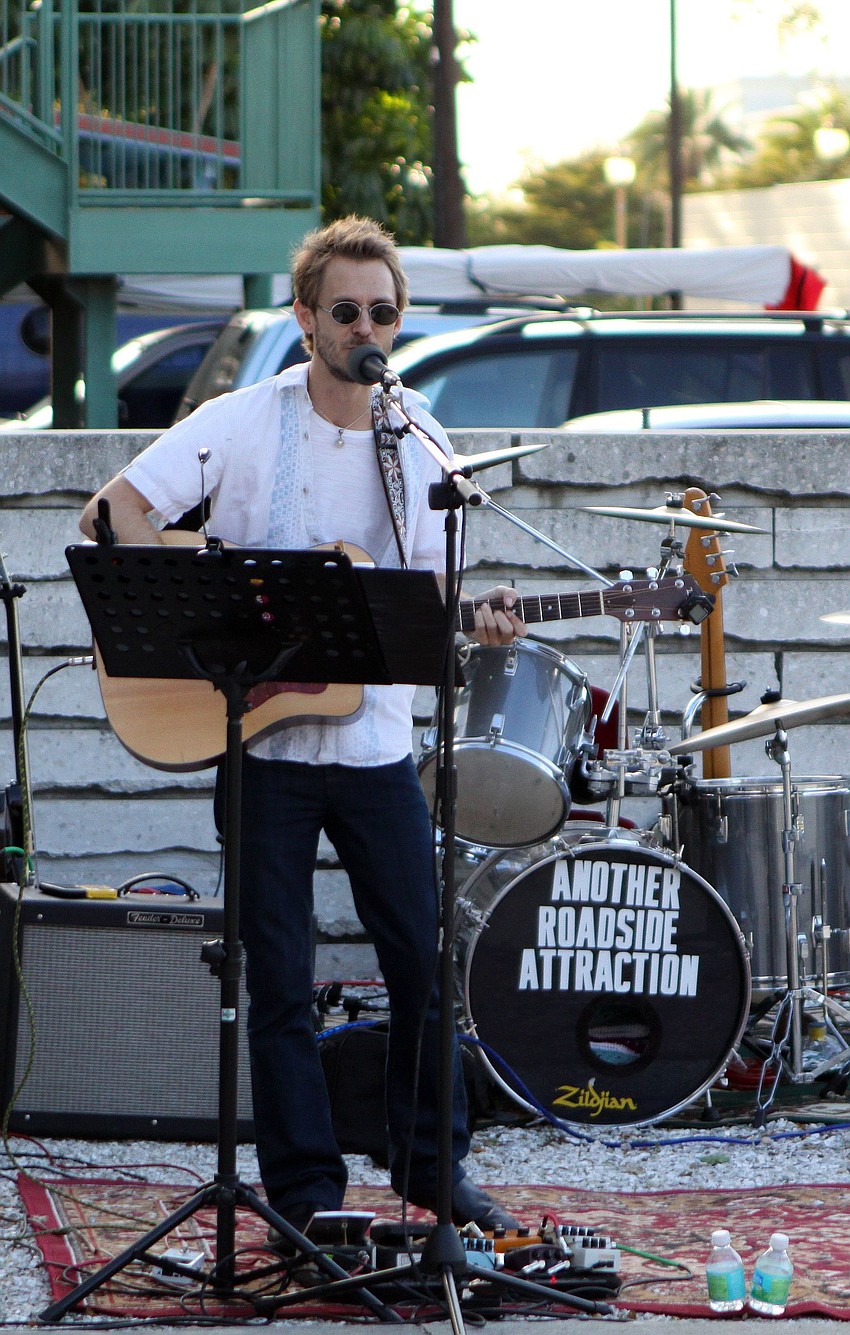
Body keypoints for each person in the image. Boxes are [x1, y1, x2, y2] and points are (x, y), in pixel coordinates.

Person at [81, 216, 527, 1238]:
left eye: (384, 310)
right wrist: (202, 603)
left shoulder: (421, 441)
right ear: (305, 319)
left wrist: (477, 622)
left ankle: (431, 1171)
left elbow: (420, 608)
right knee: (277, 981)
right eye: (345, 310)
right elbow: (113, 512)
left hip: (374, 751)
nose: (366, 326)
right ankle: (304, 1197)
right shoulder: (238, 421)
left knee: (419, 963)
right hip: (259, 748)